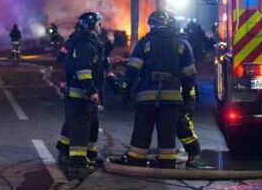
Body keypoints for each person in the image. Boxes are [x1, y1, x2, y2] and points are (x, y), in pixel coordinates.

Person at [116, 10, 197, 168]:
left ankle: (136, 160)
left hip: (145, 98)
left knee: (142, 131)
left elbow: (132, 70)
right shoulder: (182, 44)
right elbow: (189, 75)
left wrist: (125, 90)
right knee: (167, 133)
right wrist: (188, 97)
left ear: (153, 25)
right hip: (172, 99)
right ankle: (167, 162)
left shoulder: (145, 43)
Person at [60, 11, 106, 171]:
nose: (101, 27)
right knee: (80, 127)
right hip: (80, 94)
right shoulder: (84, 44)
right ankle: (78, 162)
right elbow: (84, 70)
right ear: (91, 25)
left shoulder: (88, 41)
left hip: (82, 93)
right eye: (98, 24)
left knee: (90, 125)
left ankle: (85, 155)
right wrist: (92, 91)